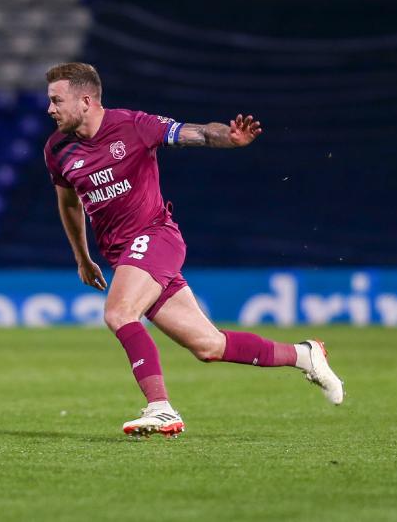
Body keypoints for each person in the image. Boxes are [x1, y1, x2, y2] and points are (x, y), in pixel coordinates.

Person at [42, 63, 344, 438]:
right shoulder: (57, 150)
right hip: (126, 256)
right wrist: (81, 257)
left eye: (56, 101)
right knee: (209, 345)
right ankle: (304, 354)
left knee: (120, 312)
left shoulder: (134, 125)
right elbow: (69, 203)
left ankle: (161, 408)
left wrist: (228, 139)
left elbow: (197, 133)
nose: (50, 109)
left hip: (156, 237)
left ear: (85, 100)